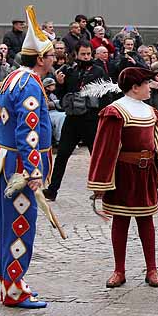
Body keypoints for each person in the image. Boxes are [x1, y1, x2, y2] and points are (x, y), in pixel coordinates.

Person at [0, 6, 56, 308]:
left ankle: (11, 283)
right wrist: (34, 170)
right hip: (20, 166)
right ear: (41, 58)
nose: (56, 60)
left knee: (10, 226)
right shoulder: (29, 84)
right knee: (19, 227)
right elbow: (27, 132)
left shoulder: (14, 77)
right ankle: (14, 290)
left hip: (7, 161)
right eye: (53, 55)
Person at [87, 67, 158, 288]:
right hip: (123, 175)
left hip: (145, 175)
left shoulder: (151, 112)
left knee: (147, 222)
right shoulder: (115, 111)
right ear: (135, 87)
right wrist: (101, 183)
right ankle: (119, 270)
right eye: (146, 84)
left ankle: (152, 269)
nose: (150, 88)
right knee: (121, 221)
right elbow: (105, 150)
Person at [43, 43, 111, 202]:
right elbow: (62, 94)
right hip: (72, 119)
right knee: (62, 155)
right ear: (76, 54)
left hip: (91, 119)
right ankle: (52, 190)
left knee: (97, 156)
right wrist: (59, 84)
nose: (86, 57)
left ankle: (102, 190)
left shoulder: (98, 71)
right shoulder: (69, 70)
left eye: (88, 54)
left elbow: (106, 96)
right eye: (83, 54)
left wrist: (104, 116)